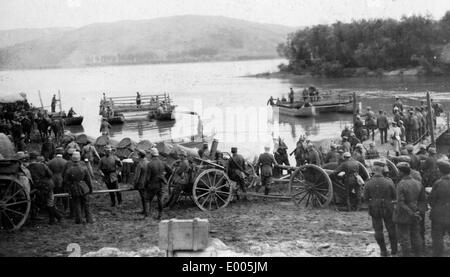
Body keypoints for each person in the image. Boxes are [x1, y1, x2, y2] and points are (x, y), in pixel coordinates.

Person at [364, 160, 397, 256]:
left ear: (374, 170)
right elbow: (394, 196)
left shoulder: (368, 182)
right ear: (383, 170)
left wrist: (372, 203)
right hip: (388, 207)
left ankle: (383, 251)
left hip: (374, 208)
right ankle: (394, 251)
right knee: (391, 229)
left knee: (378, 230)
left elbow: (365, 198)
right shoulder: (389, 181)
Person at [394, 162, 425, 257]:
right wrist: (418, 212)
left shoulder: (401, 184)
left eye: (399, 171)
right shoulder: (418, 183)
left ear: (402, 172)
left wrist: (411, 213)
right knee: (416, 235)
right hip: (416, 212)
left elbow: (401, 202)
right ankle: (418, 254)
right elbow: (422, 200)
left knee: (405, 238)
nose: (398, 173)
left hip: (404, 214)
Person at [27, 151, 62, 224]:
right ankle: (55, 218)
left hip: (38, 186)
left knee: (46, 202)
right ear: (36, 158)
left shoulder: (28, 167)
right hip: (47, 185)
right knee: (50, 202)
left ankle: (56, 218)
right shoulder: (42, 165)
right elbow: (50, 174)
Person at [63, 151, 93, 224]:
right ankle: (89, 219)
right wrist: (91, 188)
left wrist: (70, 186)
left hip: (74, 188)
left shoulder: (69, 170)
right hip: (84, 187)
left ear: (72, 159)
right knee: (86, 204)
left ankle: (78, 220)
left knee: (77, 204)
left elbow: (65, 180)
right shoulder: (84, 168)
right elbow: (88, 180)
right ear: (79, 159)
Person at [429, 159, 450, 256]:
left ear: (441, 170)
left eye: (438, 168)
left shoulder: (438, 183)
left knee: (437, 237)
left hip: (439, 214)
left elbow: (431, 199)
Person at [145, 148, 172, 220]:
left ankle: (147, 215)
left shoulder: (150, 164)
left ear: (151, 155)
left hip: (153, 184)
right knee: (160, 200)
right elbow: (170, 171)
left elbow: (147, 177)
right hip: (161, 184)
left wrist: (146, 184)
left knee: (147, 199)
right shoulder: (163, 163)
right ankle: (160, 215)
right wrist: (164, 177)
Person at [133, 149, 149, 214]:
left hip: (141, 183)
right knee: (147, 197)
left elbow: (137, 176)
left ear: (139, 156)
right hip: (148, 182)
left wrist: (134, 184)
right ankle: (146, 210)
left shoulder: (140, 164)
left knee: (143, 197)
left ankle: (145, 211)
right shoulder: (148, 162)